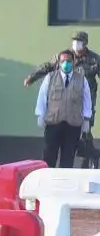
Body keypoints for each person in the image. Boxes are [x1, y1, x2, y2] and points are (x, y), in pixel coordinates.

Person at [25, 30, 100, 168]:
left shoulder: (95, 59)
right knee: (52, 146)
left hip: (82, 107)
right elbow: (47, 67)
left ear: (85, 43)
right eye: (74, 40)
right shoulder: (65, 56)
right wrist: (32, 77)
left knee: (84, 139)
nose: (76, 43)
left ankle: (86, 166)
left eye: (79, 41)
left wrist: (87, 117)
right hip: (59, 110)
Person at [34, 45, 93, 169]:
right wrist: (40, 114)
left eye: (69, 61)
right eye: (63, 61)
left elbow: (87, 100)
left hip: (73, 125)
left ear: (73, 62)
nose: (66, 63)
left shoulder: (82, 79)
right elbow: (42, 96)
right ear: (59, 63)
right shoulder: (50, 77)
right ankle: (48, 184)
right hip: (54, 123)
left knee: (68, 158)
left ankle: (64, 185)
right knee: (49, 157)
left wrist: (87, 119)